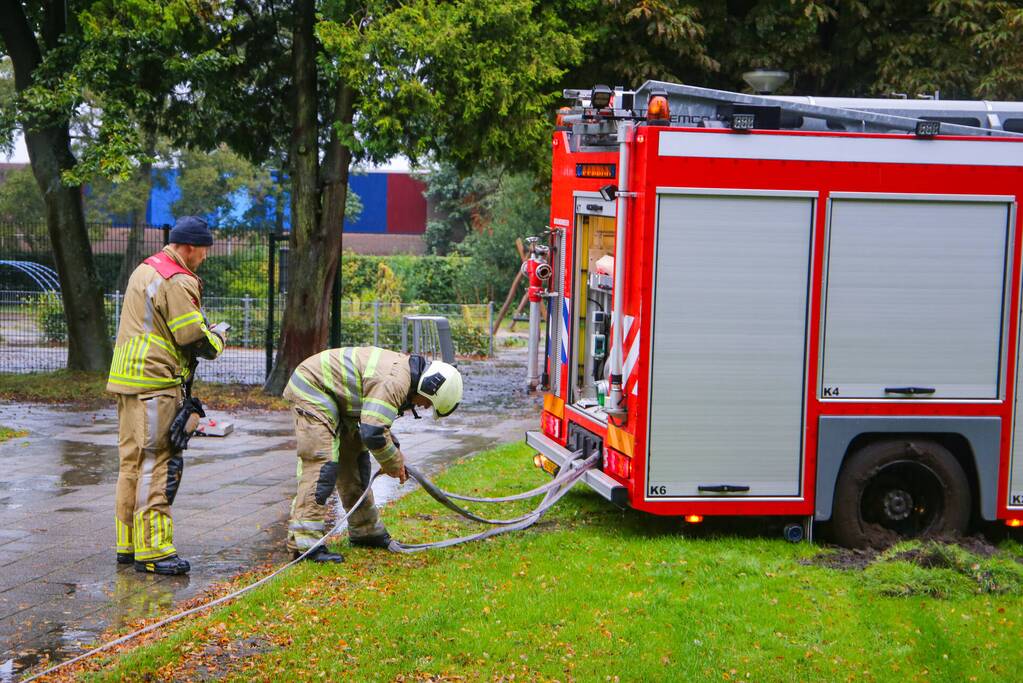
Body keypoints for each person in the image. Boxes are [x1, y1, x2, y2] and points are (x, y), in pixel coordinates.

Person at [107, 216, 227, 575]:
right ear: (189, 247)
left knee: (131, 465)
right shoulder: (177, 279)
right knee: (158, 464)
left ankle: (127, 545)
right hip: (156, 385)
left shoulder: (144, 269)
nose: (205, 257)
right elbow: (191, 335)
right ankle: (155, 551)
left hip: (128, 382)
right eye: (204, 250)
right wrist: (218, 338)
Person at [283, 346, 463, 562]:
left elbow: (377, 423)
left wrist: (394, 454)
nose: (423, 407)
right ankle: (305, 545)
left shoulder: (404, 377)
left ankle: (366, 531)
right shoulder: (396, 381)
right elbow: (373, 431)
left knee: (356, 465)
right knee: (323, 466)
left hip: (336, 398)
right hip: (312, 389)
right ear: (430, 388)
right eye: (428, 403)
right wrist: (394, 463)